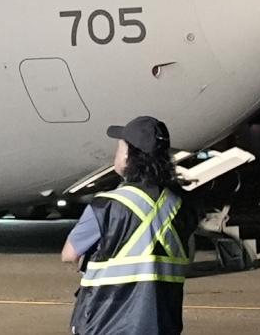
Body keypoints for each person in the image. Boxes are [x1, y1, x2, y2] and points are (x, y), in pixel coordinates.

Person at [62, 116, 192, 335]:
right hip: (163, 323)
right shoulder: (182, 206)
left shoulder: (106, 205)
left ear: (127, 155)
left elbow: (69, 254)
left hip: (106, 323)